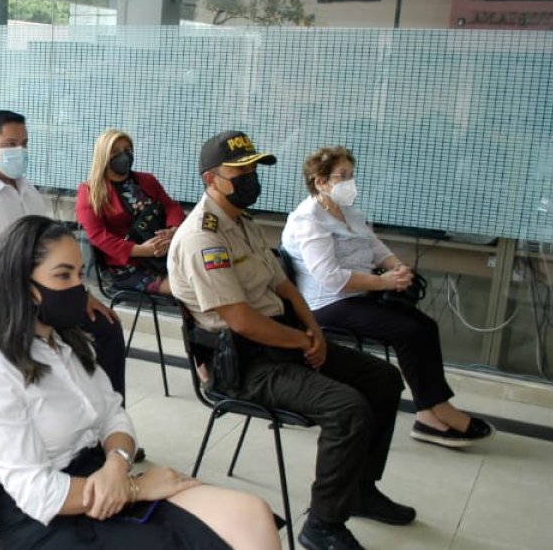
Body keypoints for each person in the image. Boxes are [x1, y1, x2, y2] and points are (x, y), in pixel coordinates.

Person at [0, 215, 280, 550]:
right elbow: (38, 494)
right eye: (63, 275)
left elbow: (114, 416)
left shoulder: (66, 344)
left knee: (252, 514)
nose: (78, 288)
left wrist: (117, 464)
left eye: (79, 274)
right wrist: (135, 488)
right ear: (25, 286)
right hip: (48, 522)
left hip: (101, 481)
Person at [168, 131, 411, 550]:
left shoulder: (241, 222)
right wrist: (301, 342)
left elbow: (283, 285)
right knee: (348, 409)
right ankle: (323, 526)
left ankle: (360, 491)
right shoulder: (203, 237)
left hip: (281, 340)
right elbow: (241, 320)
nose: (250, 179)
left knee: (384, 380)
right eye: (240, 173)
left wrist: (313, 330)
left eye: (253, 170)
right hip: (244, 364)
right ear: (211, 179)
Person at [281, 146, 493, 448]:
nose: (349, 183)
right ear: (320, 181)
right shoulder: (308, 219)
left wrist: (398, 268)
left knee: (425, 326)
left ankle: (429, 412)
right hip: (326, 303)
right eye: (342, 176)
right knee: (408, 331)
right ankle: (436, 410)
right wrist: (383, 282)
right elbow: (330, 278)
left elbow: (376, 248)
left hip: (359, 294)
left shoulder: (349, 213)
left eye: (351, 175)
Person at [0, 110, 127, 397]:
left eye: (24, 143)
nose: (20, 151)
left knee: (105, 327)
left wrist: (79, 295)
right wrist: (25, 309)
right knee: (30, 354)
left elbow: (51, 253)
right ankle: (46, 420)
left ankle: (109, 417)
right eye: (11, 144)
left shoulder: (27, 191)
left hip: (37, 296)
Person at [76, 129, 185, 295]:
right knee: (186, 289)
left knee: (203, 280)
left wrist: (173, 231)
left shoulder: (147, 180)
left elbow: (171, 207)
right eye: (115, 152)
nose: (124, 156)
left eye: (127, 150)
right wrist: (142, 250)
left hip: (164, 255)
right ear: (103, 156)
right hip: (128, 268)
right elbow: (98, 236)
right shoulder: (89, 192)